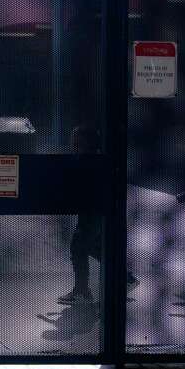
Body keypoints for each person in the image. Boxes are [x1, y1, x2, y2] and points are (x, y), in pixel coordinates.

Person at [58, 126, 140, 305]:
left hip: (92, 212)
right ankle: (125, 279)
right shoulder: (95, 158)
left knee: (79, 248)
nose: (72, 142)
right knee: (96, 247)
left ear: (84, 141)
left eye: (76, 138)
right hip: (95, 212)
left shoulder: (88, 160)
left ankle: (82, 292)